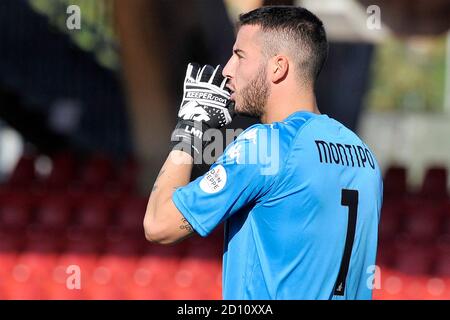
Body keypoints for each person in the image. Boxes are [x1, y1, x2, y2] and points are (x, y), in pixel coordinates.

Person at [143, 5, 383, 300]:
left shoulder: (266, 144)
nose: (227, 70)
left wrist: (189, 132)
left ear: (278, 67)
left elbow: (159, 224)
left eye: (239, 56)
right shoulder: (363, 155)